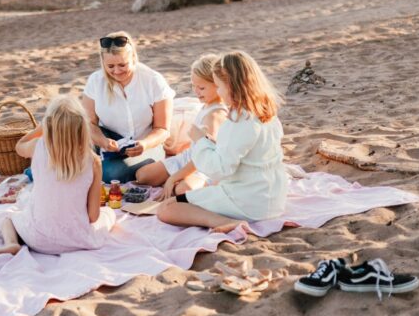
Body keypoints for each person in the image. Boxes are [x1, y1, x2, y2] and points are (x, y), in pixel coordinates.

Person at [157, 51, 288, 233]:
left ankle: (223, 222)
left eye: (219, 86)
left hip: (249, 202)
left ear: (231, 86)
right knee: (192, 195)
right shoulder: (267, 114)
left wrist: (200, 140)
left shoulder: (239, 121)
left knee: (167, 208)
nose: (218, 92)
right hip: (274, 199)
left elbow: (220, 169)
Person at [0, 96, 115, 255]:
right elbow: (93, 217)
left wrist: (39, 129)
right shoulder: (94, 161)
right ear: (83, 129)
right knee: (109, 213)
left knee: (9, 219)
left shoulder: (37, 146)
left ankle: (11, 243)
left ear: (48, 126)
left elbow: (19, 146)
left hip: (37, 240)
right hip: (77, 240)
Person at [80, 31, 175, 183]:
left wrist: (144, 144)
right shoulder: (95, 81)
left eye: (122, 65)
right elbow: (89, 123)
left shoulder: (153, 80)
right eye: (110, 66)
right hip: (107, 141)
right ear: (103, 62)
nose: (117, 71)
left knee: (113, 173)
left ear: (133, 58)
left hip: (146, 145)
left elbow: (162, 129)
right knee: (72, 149)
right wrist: (103, 141)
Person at [135, 54, 227, 193]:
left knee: (183, 190)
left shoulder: (215, 115)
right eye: (194, 86)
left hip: (203, 166)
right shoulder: (207, 104)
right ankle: (178, 181)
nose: (196, 92)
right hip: (188, 158)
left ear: (218, 85)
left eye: (202, 88)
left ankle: (188, 184)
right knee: (142, 176)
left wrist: (174, 178)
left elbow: (205, 158)